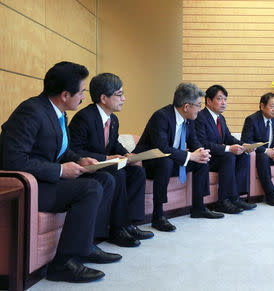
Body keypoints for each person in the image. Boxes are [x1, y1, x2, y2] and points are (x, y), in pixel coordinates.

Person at [0, 62, 120, 283]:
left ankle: (86, 246)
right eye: (81, 92)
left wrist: (78, 159)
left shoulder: (58, 113)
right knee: (90, 187)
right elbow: (12, 160)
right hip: (30, 187)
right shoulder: (31, 111)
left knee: (105, 179)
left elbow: (60, 151)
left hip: (46, 181)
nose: (84, 97)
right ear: (65, 94)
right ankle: (63, 264)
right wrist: (59, 170)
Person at [69, 73, 153, 247]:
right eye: (119, 94)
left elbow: (113, 144)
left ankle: (129, 224)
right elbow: (75, 150)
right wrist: (106, 158)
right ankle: (117, 229)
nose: (124, 98)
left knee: (137, 171)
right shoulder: (84, 118)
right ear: (103, 98)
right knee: (118, 174)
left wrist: (128, 155)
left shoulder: (112, 119)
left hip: (105, 165)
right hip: (88, 168)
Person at [134, 83, 223, 232]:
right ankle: (158, 216)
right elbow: (161, 149)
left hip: (173, 159)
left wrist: (201, 152)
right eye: (198, 105)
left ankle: (198, 207)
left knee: (201, 161)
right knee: (166, 161)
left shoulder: (189, 119)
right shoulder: (161, 116)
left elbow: (194, 142)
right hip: (152, 162)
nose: (200, 110)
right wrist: (190, 155)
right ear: (186, 106)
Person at [195, 85, 256, 214]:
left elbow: (228, 137)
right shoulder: (200, 117)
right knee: (229, 156)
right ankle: (222, 201)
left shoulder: (220, 118)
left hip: (218, 156)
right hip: (206, 158)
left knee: (243, 155)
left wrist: (244, 146)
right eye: (220, 99)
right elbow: (203, 143)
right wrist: (228, 149)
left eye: (225, 99)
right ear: (209, 101)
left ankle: (236, 197)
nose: (224, 103)